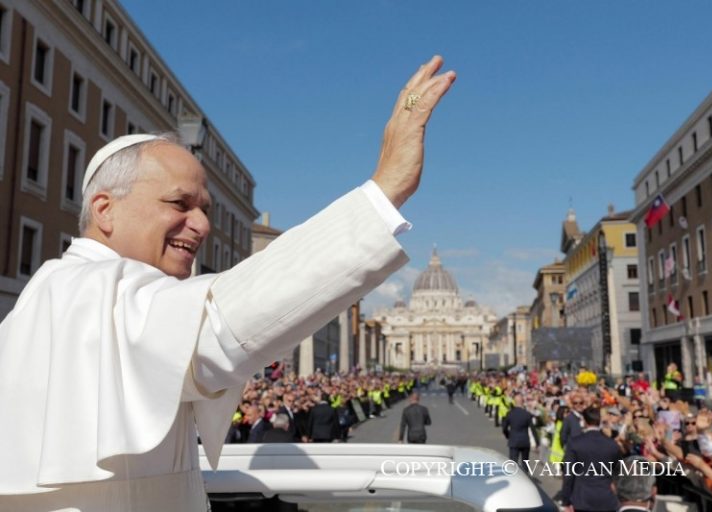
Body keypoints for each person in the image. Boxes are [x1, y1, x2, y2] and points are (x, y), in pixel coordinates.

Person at [0, 56, 456, 510]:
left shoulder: (55, 294)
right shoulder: (93, 289)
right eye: (179, 203)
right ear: (105, 210)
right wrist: (385, 190)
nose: (201, 225)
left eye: (204, 210)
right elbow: (221, 323)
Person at [561, 407, 621, 512]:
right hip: (606, 498)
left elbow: (568, 474)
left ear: (584, 421)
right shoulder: (612, 444)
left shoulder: (575, 443)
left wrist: (565, 501)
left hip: (582, 498)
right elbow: (618, 471)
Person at [501, 394, 538, 472]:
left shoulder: (510, 413)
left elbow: (504, 427)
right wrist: (537, 442)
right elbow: (533, 429)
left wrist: (507, 435)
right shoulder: (527, 414)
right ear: (523, 402)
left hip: (513, 440)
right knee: (525, 462)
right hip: (525, 440)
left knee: (513, 462)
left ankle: (513, 476)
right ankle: (526, 476)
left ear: (514, 402)